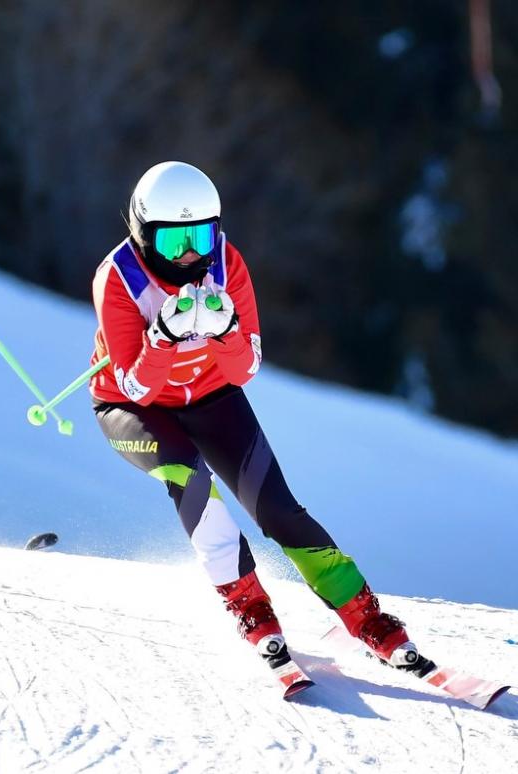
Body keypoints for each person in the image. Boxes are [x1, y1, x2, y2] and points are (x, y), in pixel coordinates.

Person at [89, 161, 420, 674]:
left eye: (200, 235)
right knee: (190, 478)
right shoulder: (118, 278)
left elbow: (245, 369)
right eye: (174, 244)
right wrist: (164, 339)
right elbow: (137, 384)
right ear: (142, 234)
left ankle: (366, 616)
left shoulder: (227, 263)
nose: (192, 255)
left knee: (279, 510)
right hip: (133, 408)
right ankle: (250, 607)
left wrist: (223, 333)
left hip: (212, 396)